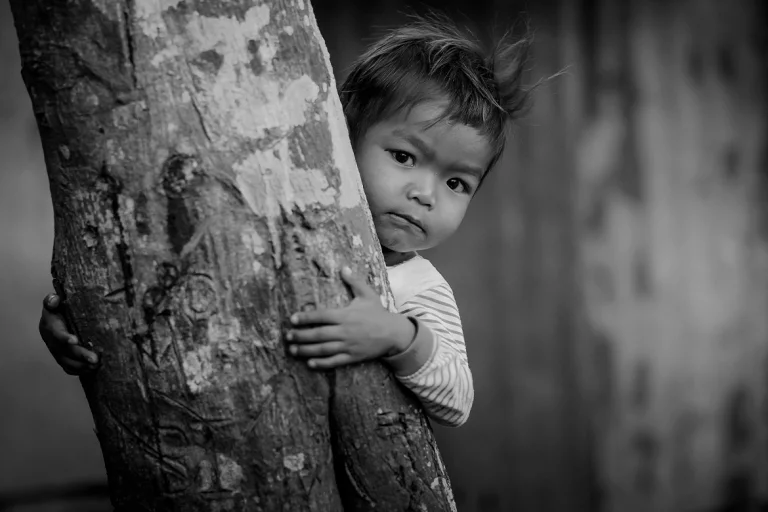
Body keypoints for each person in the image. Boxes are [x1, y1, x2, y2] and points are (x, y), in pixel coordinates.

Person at [37, 13, 533, 428]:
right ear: (342, 139)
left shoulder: (418, 288)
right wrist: (87, 321)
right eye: (404, 157)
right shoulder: (275, 224)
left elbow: (458, 400)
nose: (424, 194)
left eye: (456, 184)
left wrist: (399, 336)